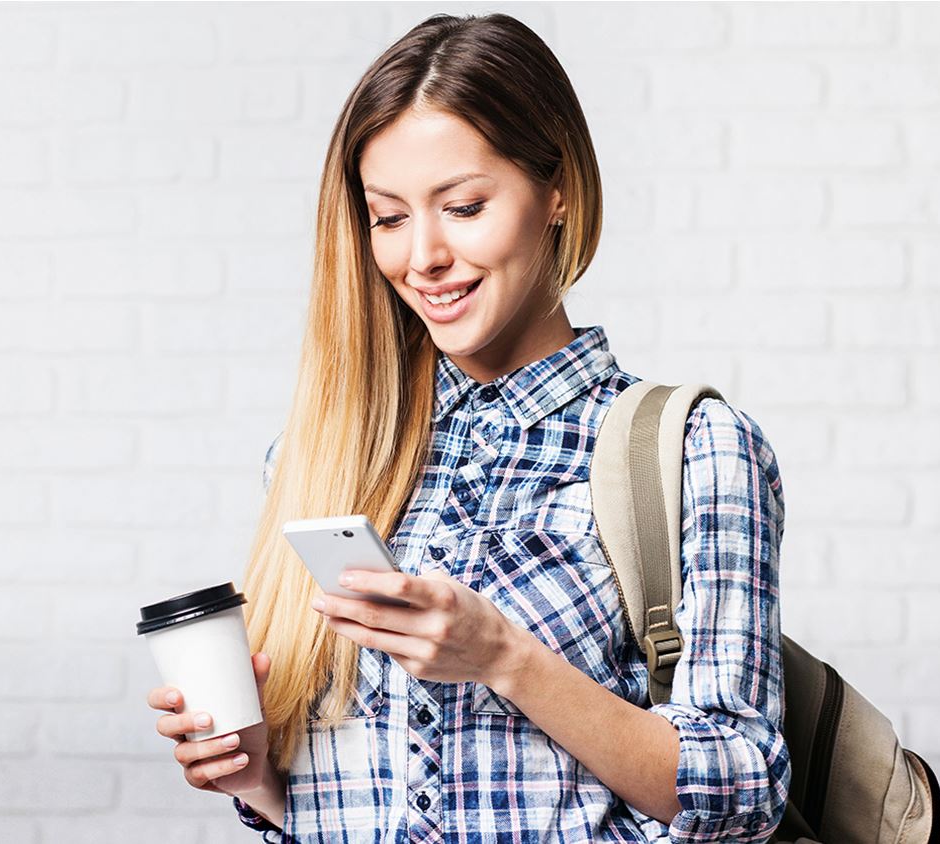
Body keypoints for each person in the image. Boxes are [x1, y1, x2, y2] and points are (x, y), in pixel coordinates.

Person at [144, 13, 789, 843]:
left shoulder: (691, 451)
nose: (424, 256)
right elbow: (327, 809)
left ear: (557, 190)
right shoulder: (317, 458)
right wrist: (259, 775)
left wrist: (503, 656)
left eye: (464, 206)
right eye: (389, 217)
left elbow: (743, 794)